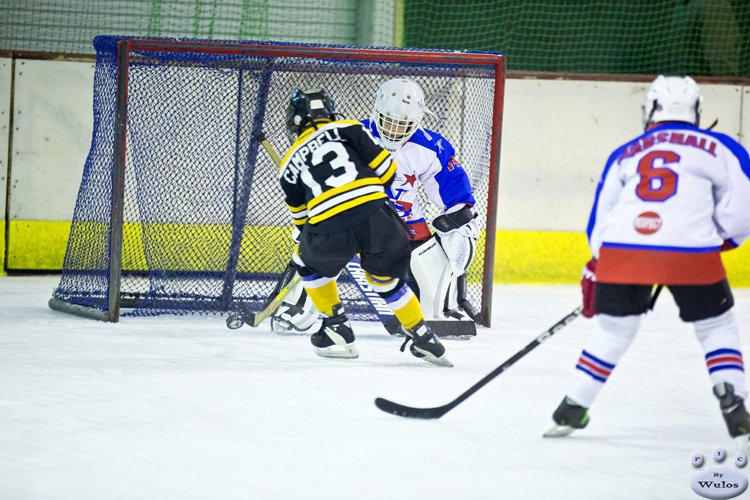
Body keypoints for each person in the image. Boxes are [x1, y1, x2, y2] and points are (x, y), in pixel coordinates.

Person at [543, 75, 750, 450]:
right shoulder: (721, 146)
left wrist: (600, 263)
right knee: (716, 326)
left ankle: (571, 408)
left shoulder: (627, 151)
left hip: (623, 251)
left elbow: (600, 221)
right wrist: (712, 240)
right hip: (692, 253)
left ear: (651, 109)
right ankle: (734, 406)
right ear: (696, 111)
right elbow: (741, 213)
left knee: (613, 331)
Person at [271, 78, 480, 332]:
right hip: (354, 218)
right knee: (318, 245)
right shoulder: (352, 134)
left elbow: (455, 194)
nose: (393, 130)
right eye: (389, 120)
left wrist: (462, 221)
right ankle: (298, 305)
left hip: (404, 225)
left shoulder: (432, 146)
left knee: (450, 237)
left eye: (402, 124)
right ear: (376, 111)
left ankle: (440, 308)